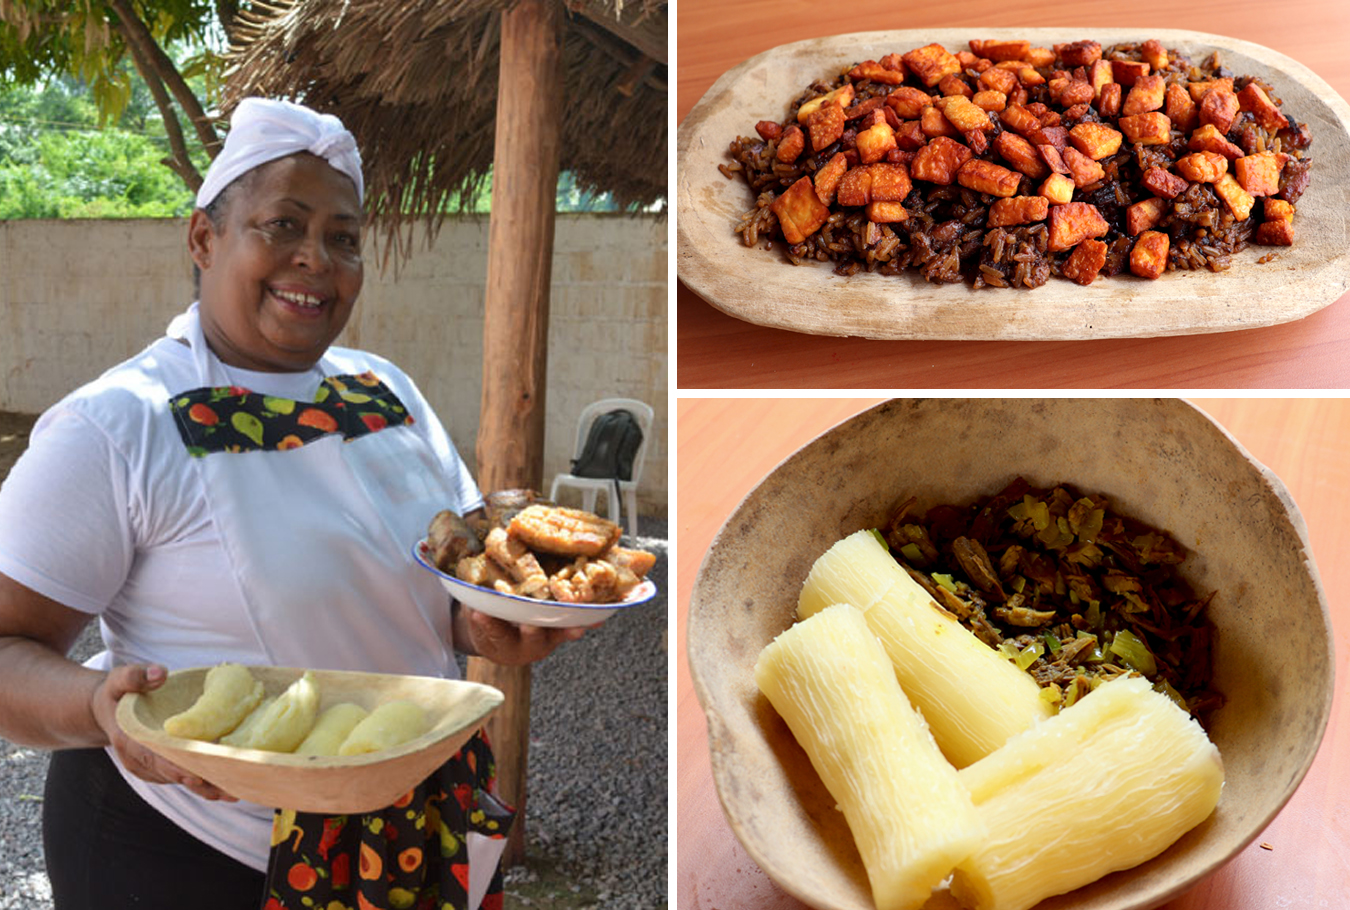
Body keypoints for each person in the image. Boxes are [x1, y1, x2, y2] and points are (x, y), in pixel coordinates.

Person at [0, 98, 584, 910]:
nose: (317, 258)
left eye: (343, 238)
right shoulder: (116, 424)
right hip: (191, 846)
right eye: (282, 225)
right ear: (204, 239)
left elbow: (444, 582)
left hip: (400, 829)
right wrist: (99, 710)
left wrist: (484, 624)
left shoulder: (388, 393)